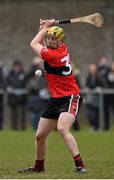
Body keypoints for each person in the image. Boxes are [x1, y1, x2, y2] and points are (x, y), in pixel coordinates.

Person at [19, 19, 87, 174]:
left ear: (60, 41)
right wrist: (44, 28)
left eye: (54, 39)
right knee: (40, 135)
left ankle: (80, 166)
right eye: (49, 38)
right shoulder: (61, 48)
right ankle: (39, 167)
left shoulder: (53, 56)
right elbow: (42, 43)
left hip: (70, 96)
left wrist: (46, 27)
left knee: (62, 129)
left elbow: (34, 43)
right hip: (55, 99)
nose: (51, 41)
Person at [6, 60, 27, 130]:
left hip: (22, 96)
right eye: (15, 66)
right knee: (14, 113)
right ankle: (14, 127)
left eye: (18, 66)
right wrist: (8, 88)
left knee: (22, 113)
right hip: (13, 96)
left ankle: (22, 127)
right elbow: (7, 83)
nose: (17, 68)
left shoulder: (24, 74)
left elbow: (26, 82)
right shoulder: (10, 75)